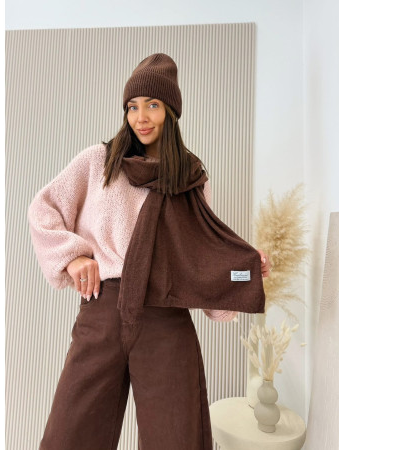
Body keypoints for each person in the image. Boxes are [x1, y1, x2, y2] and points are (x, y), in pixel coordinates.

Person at [28, 53, 271, 450]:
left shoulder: (189, 177)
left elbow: (200, 254)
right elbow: (43, 210)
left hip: (166, 319)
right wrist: (72, 256)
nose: (141, 117)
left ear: (170, 111)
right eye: (133, 106)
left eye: (152, 105)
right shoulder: (99, 162)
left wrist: (246, 268)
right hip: (103, 312)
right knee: (69, 436)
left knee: (176, 439)